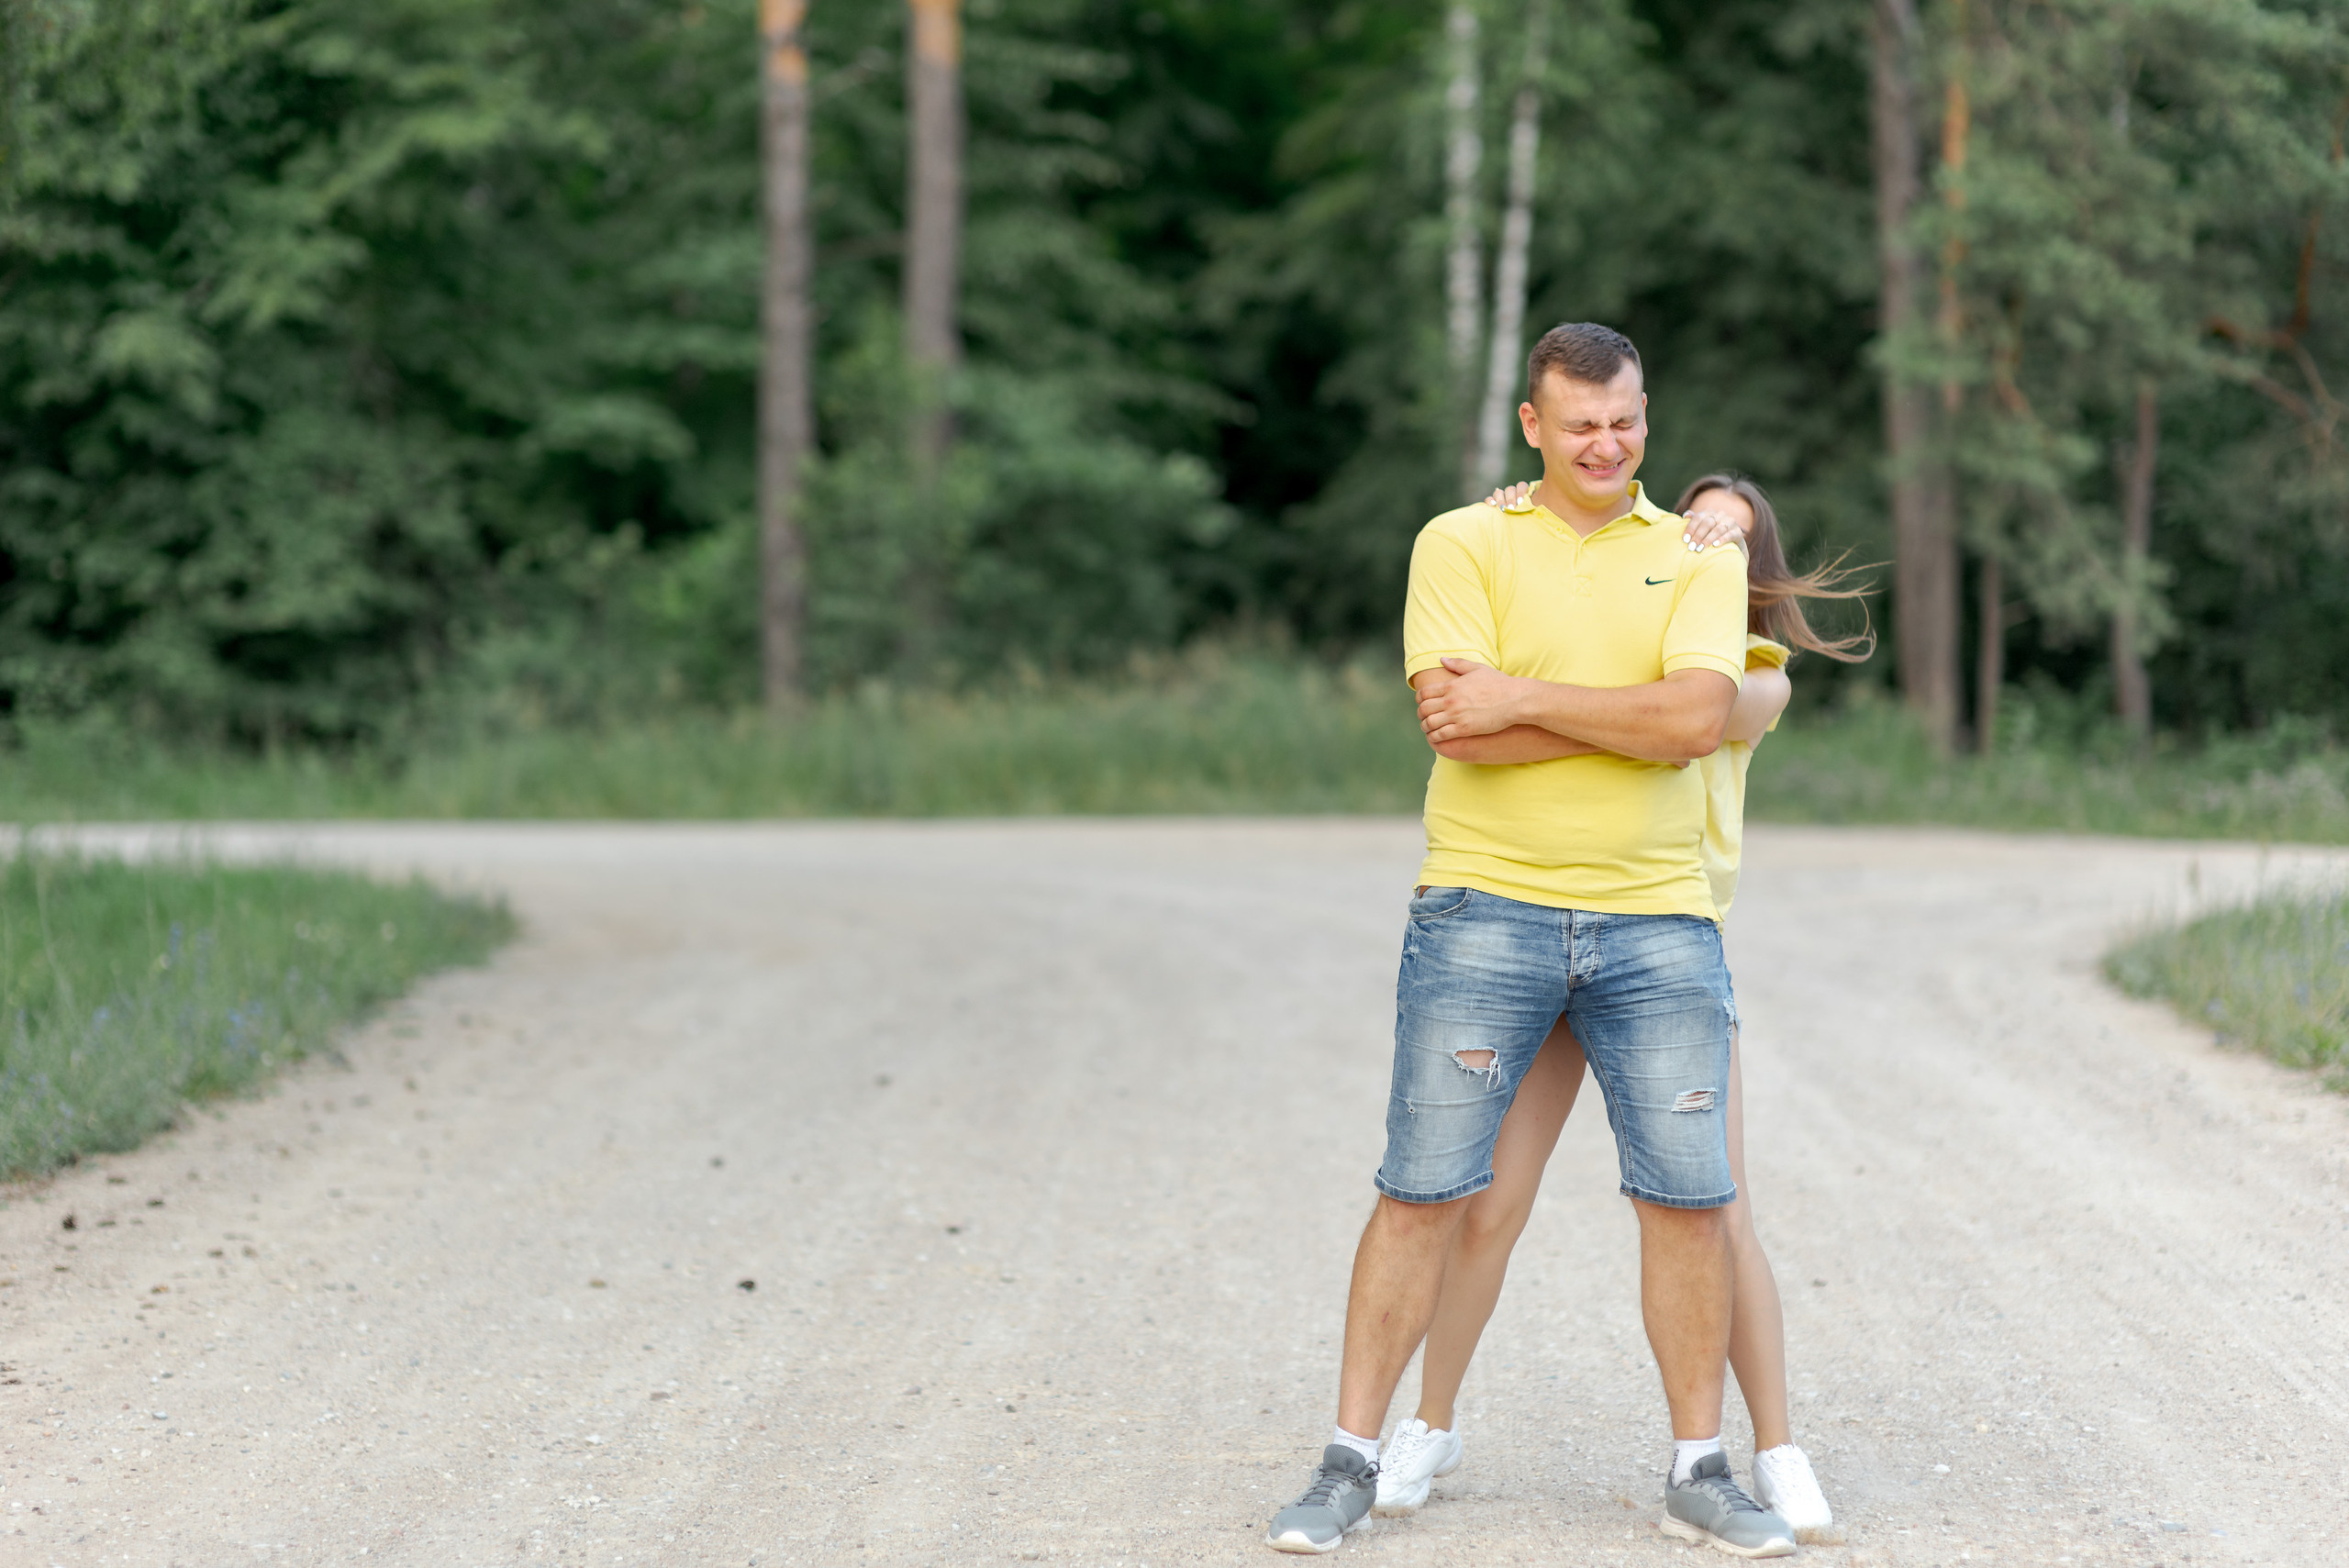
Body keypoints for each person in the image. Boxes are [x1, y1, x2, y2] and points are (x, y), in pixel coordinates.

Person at [1265, 323, 1794, 1558]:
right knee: (1423, 1189)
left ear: (1646, 414)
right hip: (1482, 909)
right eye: (1581, 425)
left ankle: (1701, 1467)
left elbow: (1697, 719)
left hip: (1659, 918)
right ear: (1532, 426)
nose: (1607, 445)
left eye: (1626, 421)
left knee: (1688, 1199)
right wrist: (1618, 719)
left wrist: (1526, 695)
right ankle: (1348, 1460)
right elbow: (1459, 727)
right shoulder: (1461, 542)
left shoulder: (1697, 555)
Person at [1371, 472, 1873, 1543]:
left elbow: (1690, 722)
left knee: (1717, 1212)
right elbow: (1623, 695)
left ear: (1755, 567)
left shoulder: (1759, 673)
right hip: (1544, 925)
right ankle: (1429, 1423)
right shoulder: (1637, 629)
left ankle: (1776, 1448)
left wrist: (1516, 701)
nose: (1708, 540)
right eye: (1697, 522)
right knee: (1488, 1201)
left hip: (1661, 947)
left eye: (1732, 535)